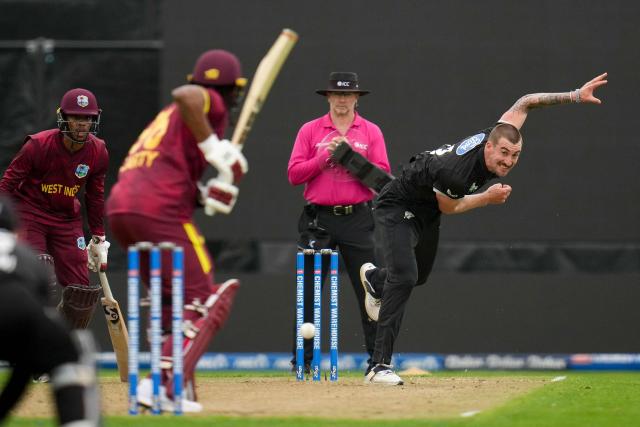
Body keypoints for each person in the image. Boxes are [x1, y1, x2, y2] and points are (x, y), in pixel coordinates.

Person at [360, 73, 608, 385]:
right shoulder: (456, 175)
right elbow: (450, 207)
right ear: (489, 146)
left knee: (417, 276)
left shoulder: (504, 132)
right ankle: (378, 366)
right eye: (503, 153)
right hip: (398, 203)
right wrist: (487, 198)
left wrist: (574, 95)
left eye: (515, 155)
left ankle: (374, 279)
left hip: (427, 207)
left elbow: (526, 102)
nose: (508, 161)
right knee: (405, 276)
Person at [106, 49, 249, 412]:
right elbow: (186, 95)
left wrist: (205, 194)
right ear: (233, 89)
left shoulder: (170, 120)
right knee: (205, 298)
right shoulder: (208, 100)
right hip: (160, 210)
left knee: (173, 306)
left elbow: (167, 168)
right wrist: (215, 149)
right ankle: (162, 386)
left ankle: (168, 386)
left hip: (123, 208)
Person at [287, 71, 391, 374]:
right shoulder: (310, 130)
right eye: (337, 95)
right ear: (328, 97)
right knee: (308, 291)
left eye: (348, 95)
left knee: (370, 292)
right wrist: (325, 158)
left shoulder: (370, 131)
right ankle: (302, 362)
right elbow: (294, 175)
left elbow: (383, 182)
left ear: (357, 98)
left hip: (357, 218)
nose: (342, 100)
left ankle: (378, 362)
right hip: (318, 219)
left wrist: (350, 159)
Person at [0, 88, 111, 329]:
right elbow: (7, 184)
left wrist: (99, 237)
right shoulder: (38, 145)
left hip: (67, 220)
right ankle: (29, 335)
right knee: (40, 272)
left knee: (82, 294)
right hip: (31, 214)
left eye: (88, 118)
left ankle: (63, 343)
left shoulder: (98, 151)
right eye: (77, 117)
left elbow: (95, 195)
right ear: (63, 117)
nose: (83, 124)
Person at [0, 196, 101, 426]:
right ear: (16, 231)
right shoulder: (26, 257)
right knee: (77, 346)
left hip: (19, 320)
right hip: (22, 319)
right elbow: (33, 342)